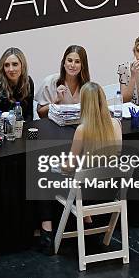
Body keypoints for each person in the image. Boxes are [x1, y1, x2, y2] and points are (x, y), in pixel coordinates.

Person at [39, 82, 122, 254]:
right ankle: (87, 220)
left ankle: (46, 228)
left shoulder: (82, 130)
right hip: (110, 190)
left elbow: (69, 167)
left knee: (44, 176)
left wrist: (56, 165)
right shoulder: (115, 124)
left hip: (86, 192)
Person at [0, 47, 34, 128]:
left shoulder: (28, 83)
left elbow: (29, 115)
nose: (11, 69)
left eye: (15, 64)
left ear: (22, 66)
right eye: (6, 65)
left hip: (19, 131)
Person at [35, 45, 90, 118]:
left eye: (77, 62)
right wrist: (56, 101)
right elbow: (41, 114)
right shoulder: (49, 82)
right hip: (53, 126)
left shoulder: (86, 86)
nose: (73, 65)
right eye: (69, 61)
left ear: (83, 65)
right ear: (64, 63)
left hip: (78, 126)